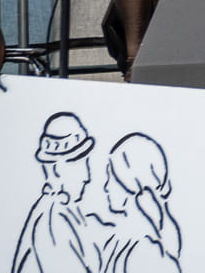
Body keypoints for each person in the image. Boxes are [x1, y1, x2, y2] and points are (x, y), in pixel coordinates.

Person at [12, 113, 109, 273]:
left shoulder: (65, 211)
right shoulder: (52, 221)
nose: (87, 177)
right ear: (57, 170)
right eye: (79, 165)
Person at [98, 134, 181, 273]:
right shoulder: (117, 242)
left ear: (128, 182)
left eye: (110, 177)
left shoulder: (146, 248)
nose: (106, 187)